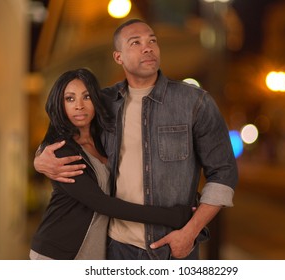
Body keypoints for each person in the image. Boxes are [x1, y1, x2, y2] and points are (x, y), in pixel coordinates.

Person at [34, 19, 238, 260]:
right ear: (118, 57)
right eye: (136, 43)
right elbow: (63, 126)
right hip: (116, 247)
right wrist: (39, 158)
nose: (148, 47)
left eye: (152, 40)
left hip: (173, 248)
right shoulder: (103, 103)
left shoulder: (195, 103)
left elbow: (224, 172)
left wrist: (190, 231)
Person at [30, 68, 192, 260]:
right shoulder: (61, 151)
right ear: (60, 104)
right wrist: (173, 216)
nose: (79, 106)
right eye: (70, 99)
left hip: (91, 251)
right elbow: (103, 204)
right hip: (56, 253)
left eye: (87, 97)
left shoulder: (101, 139)